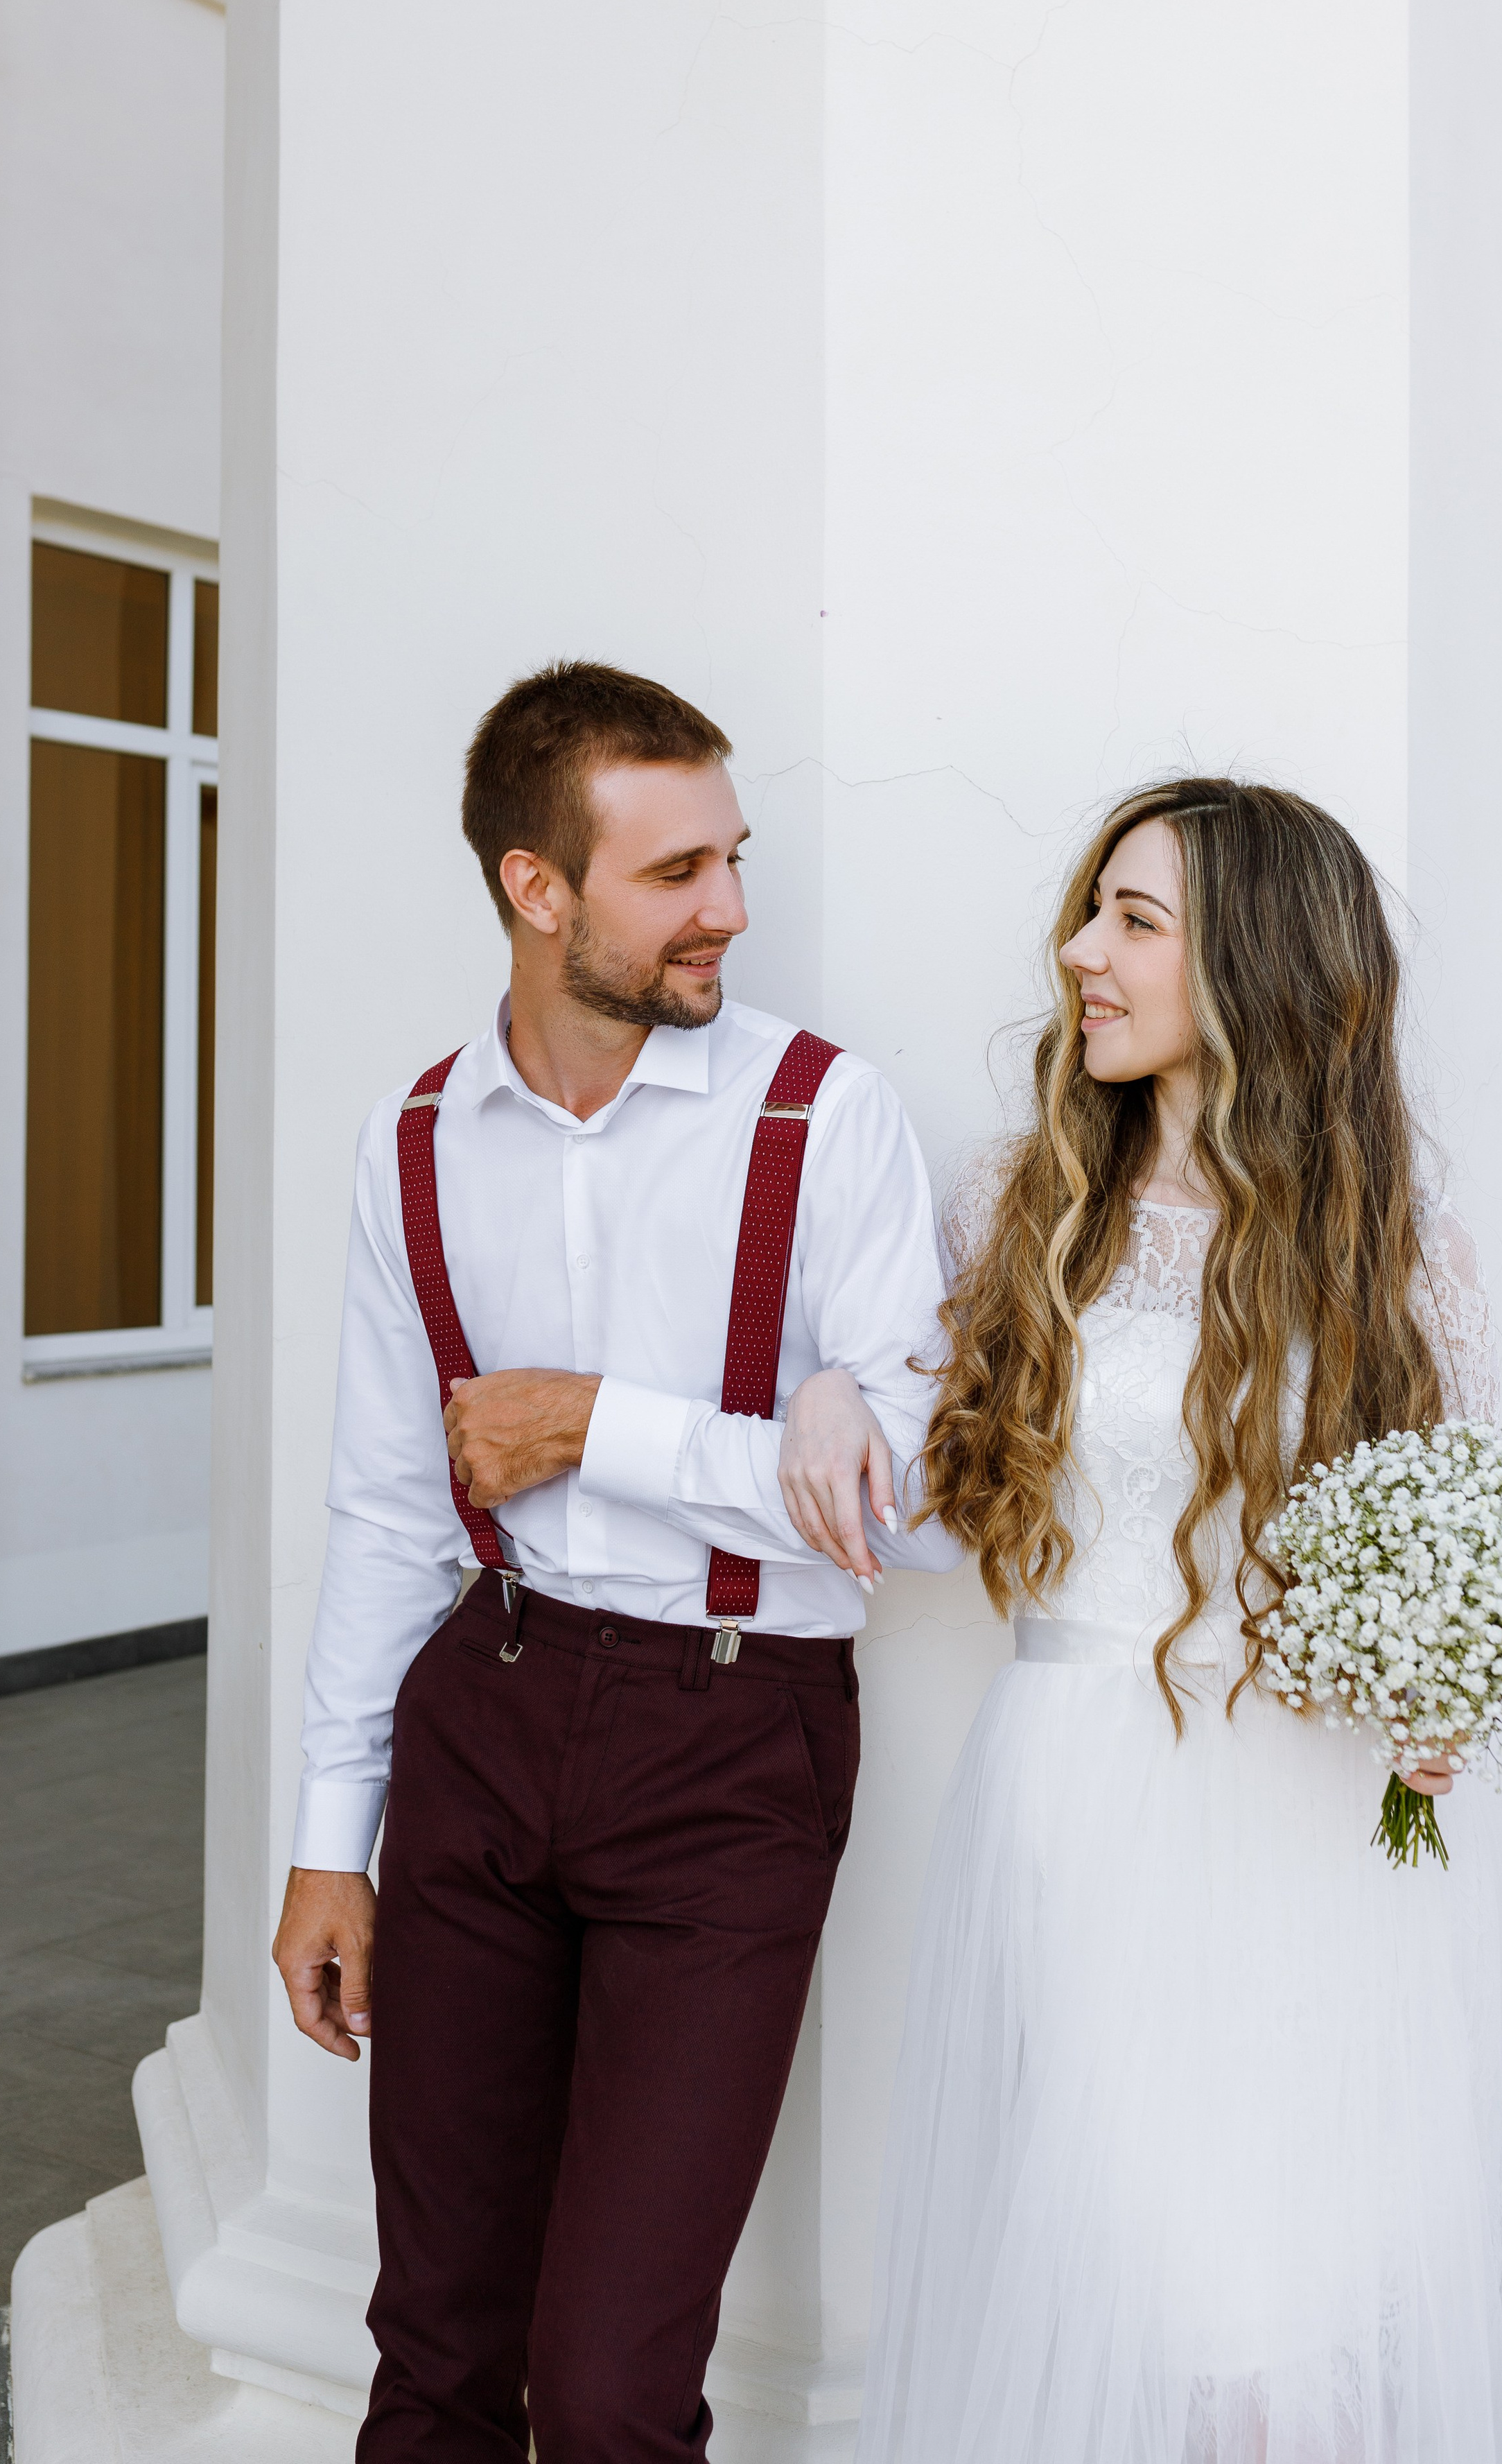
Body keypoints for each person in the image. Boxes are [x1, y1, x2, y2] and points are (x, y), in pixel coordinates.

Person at [778, 779, 1502, 2464]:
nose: (1073, 954)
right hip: (1083, 1800)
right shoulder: (1017, 1207)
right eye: (1086, 910)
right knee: (1152, 2277)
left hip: (1317, 1819)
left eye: (1130, 920)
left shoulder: (1392, 1252)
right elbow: (922, 1502)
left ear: (1253, 963)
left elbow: (1444, 1546)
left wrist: (1447, 1688)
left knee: (1290, 2296)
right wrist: (836, 1396)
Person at [270, 659, 957, 2464]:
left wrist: (598, 1425)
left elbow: (915, 1500)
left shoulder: (826, 1121)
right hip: (485, 1716)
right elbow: (388, 1512)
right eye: (678, 874)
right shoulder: (415, 1142)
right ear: (537, 888)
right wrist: (331, 1846)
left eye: (735, 858)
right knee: (432, 2349)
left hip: (736, 1750)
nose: (730, 908)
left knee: (607, 2388)